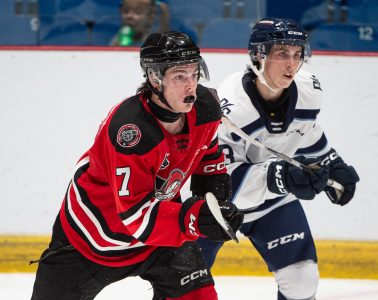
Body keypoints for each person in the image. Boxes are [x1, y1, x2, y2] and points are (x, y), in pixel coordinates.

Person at [31, 31, 243, 300]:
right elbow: (135, 216)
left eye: (194, 74)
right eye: (180, 76)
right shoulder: (132, 132)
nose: (191, 85)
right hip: (90, 238)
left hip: (159, 237)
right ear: (155, 78)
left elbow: (207, 151)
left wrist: (213, 192)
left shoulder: (206, 107)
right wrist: (193, 219)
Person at [198, 18, 360, 300]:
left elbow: (305, 130)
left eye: (297, 55)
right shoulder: (230, 108)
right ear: (258, 55)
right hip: (213, 208)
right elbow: (218, 183)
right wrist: (279, 177)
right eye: (282, 54)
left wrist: (332, 162)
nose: (292, 64)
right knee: (185, 282)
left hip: (271, 202)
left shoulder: (308, 91)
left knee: (302, 279)